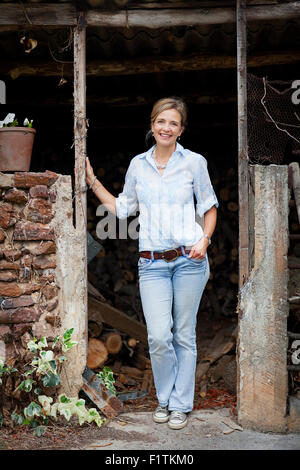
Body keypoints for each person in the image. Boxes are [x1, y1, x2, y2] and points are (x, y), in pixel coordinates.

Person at [86, 97, 218, 430]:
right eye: (161, 121)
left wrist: (204, 240)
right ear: (152, 124)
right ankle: (165, 398)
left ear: (181, 129)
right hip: (151, 264)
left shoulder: (194, 163)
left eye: (173, 123)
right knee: (159, 336)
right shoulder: (137, 165)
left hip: (189, 259)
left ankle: (178, 405)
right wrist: (92, 182)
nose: (166, 128)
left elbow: (209, 206)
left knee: (184, 335)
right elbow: (122, 208)